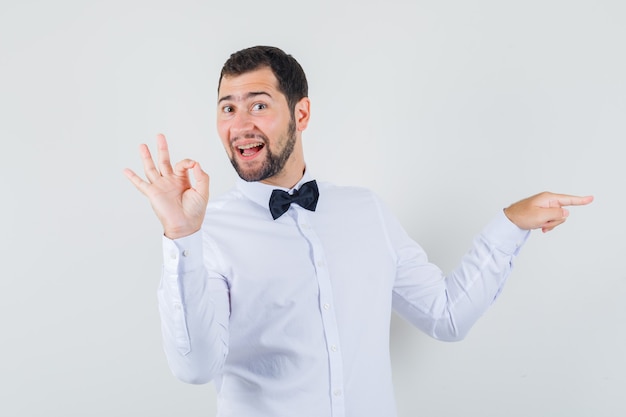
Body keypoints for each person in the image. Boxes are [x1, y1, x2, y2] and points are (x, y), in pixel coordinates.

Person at [123, 45, 593, 417]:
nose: (240, 125)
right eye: (227, 109)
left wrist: (509, 224)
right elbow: (194, 367)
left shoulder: (365, 212)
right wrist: (182, 234)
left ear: (301, 114)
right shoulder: (210, 232)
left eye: (258, 105)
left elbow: (447, 316)